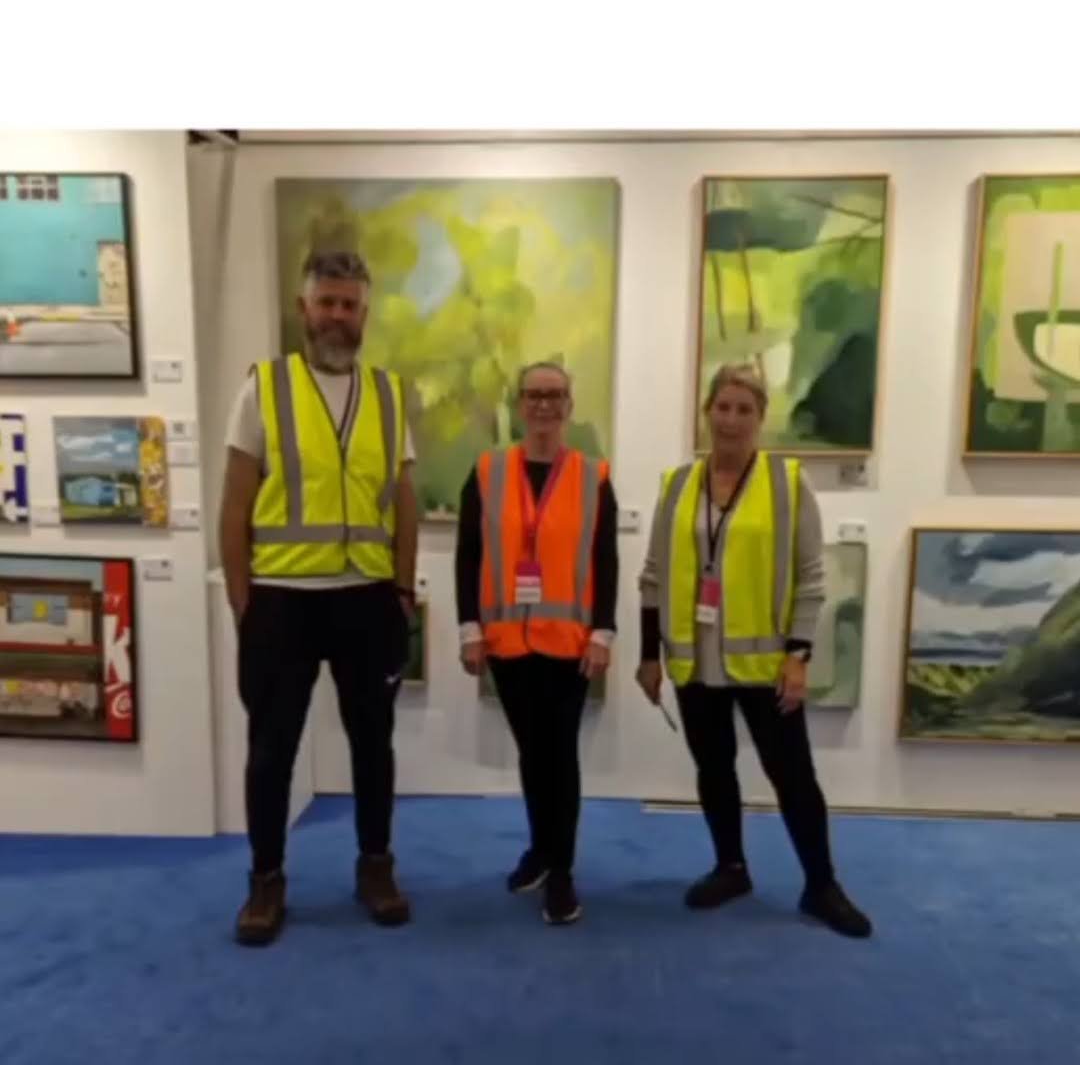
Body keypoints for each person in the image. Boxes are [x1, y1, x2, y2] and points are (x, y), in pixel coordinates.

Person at [220, 250, 419, 946]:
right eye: (326, 303)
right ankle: (266, 880)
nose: (338, 316)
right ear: (303, 309)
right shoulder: (264, 388)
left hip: (367, 597)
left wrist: (402, 588)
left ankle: (376, 867)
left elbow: (404, 501)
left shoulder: (390, 395)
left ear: (365, 313)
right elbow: (235, 503)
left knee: (374, 745)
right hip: (282, 599)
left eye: (349, 305)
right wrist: (243, 603)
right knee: (271, 750)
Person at [636, 363, 871, 938]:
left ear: (760, 418)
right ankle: (731, 868)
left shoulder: (787, 484)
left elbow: (811, 578)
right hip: (694, 662)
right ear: (707, 412)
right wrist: (649, 655)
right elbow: (653, 576)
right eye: (723, 407)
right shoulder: (676, 485)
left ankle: (822, 885)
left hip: (766, 665)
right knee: (714, 768)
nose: (732, 419)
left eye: (745, 409)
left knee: (794, 776)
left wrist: (799, 655)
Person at [455, 361, 618, 926]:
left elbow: (605, 560)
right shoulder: (487, 471)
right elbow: (469, 555)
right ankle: (541, 849)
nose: (544, 404)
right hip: (506, 644)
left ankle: (562, 870)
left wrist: (603, 632)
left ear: (569, 405)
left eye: (555, 395)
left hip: (569, 645)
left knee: (560, 755)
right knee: (531, 752)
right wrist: (469, 628)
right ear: (519, 404)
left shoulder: (594, 477)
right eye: (533, 395)